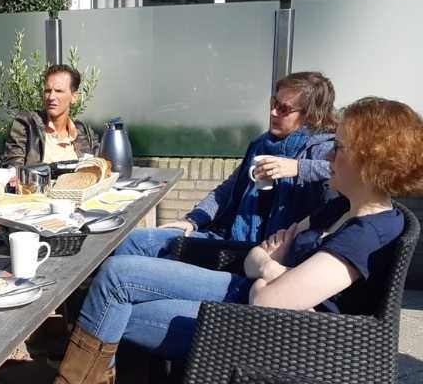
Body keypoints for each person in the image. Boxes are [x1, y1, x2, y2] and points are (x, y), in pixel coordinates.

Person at [0, 96, 423, 384]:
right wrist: (271, 271)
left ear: (370, 161)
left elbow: (268, 302)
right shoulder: (340, 209)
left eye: (340, 148)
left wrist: (271, 271)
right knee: (117, 281)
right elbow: (259, 259)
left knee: (114, 298)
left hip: (260, 332)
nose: (328, 156)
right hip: (243, 294)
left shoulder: (365, 236)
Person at [118, 71, 337, 263]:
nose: (273, 112)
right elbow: (227, 190)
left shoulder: (322, 148)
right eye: (274, 103)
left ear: (310, 116)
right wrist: (193, 220)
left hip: (261, 259)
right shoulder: (262, 144)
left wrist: (298, 168)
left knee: (124, 268)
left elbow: (348, 173)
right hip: (228, 239)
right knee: (133, 242)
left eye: (283, 109)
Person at [4, 64, 98, 167]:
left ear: (74, 97)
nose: (51, 97)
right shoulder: (27, 125)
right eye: (48, 91)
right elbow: (14, 170)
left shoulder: (84, 132)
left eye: (59, 91)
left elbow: (99, 168)